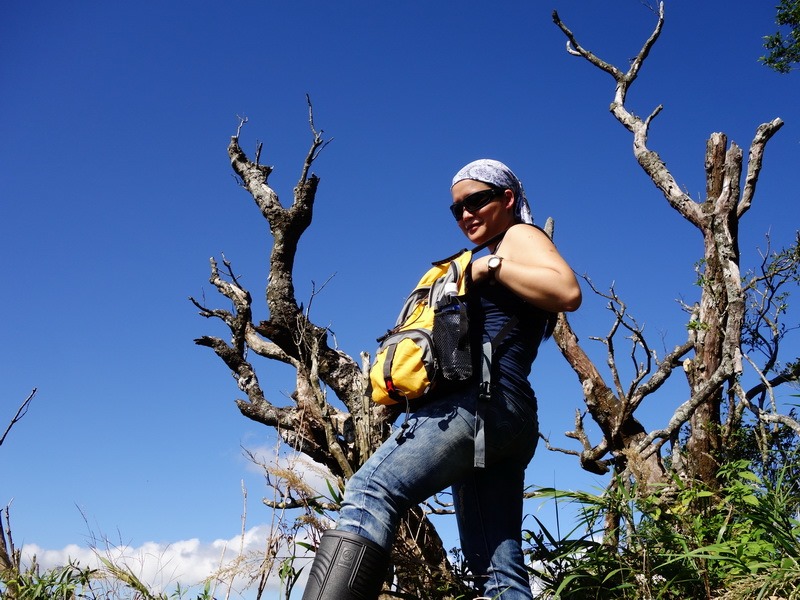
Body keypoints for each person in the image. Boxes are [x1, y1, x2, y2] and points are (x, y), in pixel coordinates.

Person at [301, 159, 582, 600]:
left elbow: (567, 291)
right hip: (507, 418)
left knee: (370, 492)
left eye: (476, 201)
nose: (466, 215)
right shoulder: (498, 247)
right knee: (497, 571)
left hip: (478, 408)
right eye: (457, 209)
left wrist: (487, 268)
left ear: (508, 199)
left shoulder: (517, 238)